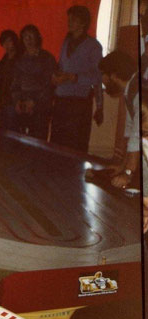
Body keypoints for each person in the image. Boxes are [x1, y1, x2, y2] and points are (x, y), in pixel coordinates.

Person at [50, 5, 103, 152]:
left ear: (83, 23)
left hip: (79, 103)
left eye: (73, 20)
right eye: (69, 19)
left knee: (75, 145)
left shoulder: (94, 46)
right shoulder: (66, 42)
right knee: (57, 143)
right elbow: (61, 65)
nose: (69, 22)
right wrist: (56, 75)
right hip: (61, 99)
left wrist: (99, 107)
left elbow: (98, 76)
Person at [98, 51, 138, 189]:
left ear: (114, 76)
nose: (101, 79)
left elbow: (137, 133)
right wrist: (122, 166)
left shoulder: (137, 92)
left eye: (103, 74)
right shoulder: (129, 92)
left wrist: (128, 173)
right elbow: (130, 130)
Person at [10, 25, 57, 139]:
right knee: (21, 143)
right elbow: (15, 84)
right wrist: (17, 101)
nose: (28, 40)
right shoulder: (20, 59)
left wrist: (34, 102)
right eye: (25, 37)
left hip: (41, 107)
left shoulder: (47, 58)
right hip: (23, 106)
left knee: (38, 142)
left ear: (38, 38)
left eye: (31, 36)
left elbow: (49, 85)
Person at [0, 30, 20, 131]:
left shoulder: (20, 58)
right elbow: (1, 79)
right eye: (4, 42)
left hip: (13, 101)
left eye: (9, 41)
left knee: (11, 132)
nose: (7, 44)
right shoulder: (4, 59)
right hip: (2, 101)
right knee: (1, 131)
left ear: (14, 42)